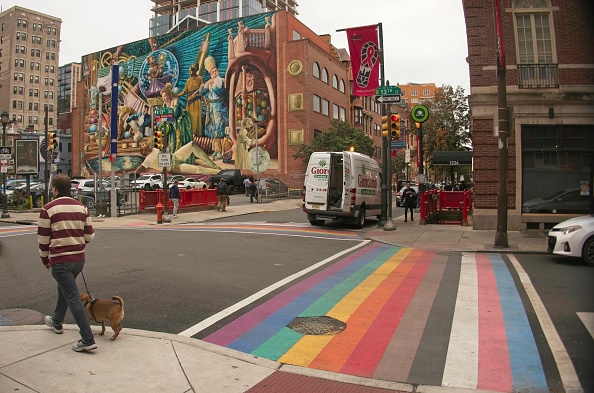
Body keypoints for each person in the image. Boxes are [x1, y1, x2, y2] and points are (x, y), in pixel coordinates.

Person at [38, 174, 97, 352]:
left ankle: (87, 339)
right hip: (78, 260)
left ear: (55, 188)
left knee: (72, 296)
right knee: (65, 289)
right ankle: (57, 321)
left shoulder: (48, 209)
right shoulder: (82, 208)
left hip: (60, 260)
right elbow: (89, 236)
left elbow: (43, 239)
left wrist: (44, 259)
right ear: (70, 188)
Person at [137, 139, 221, 175]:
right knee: (197, 169)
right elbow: (140, 169)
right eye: (143, 145)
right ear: (144, 152)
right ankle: (219, 172)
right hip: (175, 167)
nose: (144, 143)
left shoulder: (155, 148)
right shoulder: (147, 160)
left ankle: (215, 166)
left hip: (176, 156)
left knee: (192, 144)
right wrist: (132, 176)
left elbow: (159, 139)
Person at [175, 65, 203, 137]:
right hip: (189, 102)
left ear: (195, 70)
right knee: (189, 117)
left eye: (192, 70)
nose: (190, 72)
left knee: (196, 118)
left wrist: (202, 86)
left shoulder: (199, 79)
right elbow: (184, 91)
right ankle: (189, 133)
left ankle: (196, 134)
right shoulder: (188, 81)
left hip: (197, 102)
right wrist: (178, 95)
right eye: (190, 70)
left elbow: (202, 89)